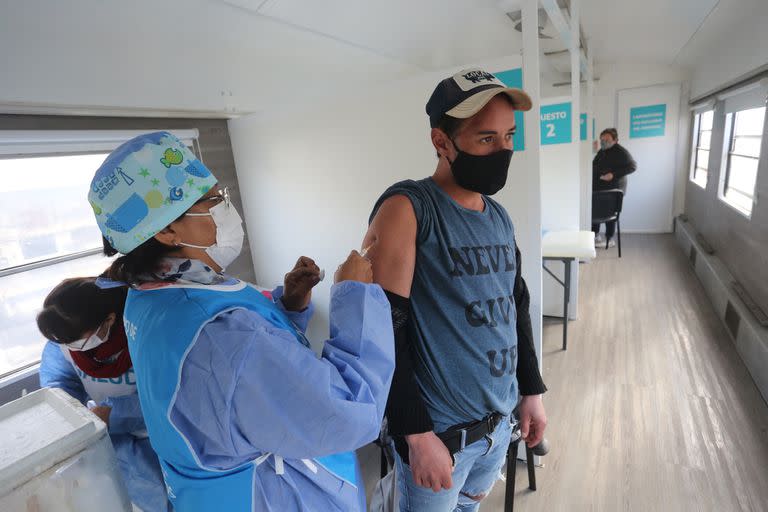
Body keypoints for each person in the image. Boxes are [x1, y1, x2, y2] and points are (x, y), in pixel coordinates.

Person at [87, 131, 394, 512]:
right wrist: (356, 298)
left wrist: (289, 305)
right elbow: (351, 412)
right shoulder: (222, 336)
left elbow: (230, 385)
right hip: (272, 496)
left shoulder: (151, 293)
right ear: (166, 231)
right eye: (213, 200)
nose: (225, 207)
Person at [363, 68, 548, 511]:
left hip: (497, 428)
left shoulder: (499, 216)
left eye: (508, 137)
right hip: (440, 438)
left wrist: (531, 392)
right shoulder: (408, 208)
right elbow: (382, 329)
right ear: (441, 142)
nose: (503, 150)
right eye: (486, 139)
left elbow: (514, 307)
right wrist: (416, 435)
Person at [37, 277, 171, 512]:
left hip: (163, 430)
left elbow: (168, 395)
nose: (72, 348)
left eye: (77, 341)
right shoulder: (65, 342)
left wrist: (115, 411)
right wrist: (74, 415)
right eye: (65, 343)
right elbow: (58, 384)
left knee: (171, 494)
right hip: (111, 434)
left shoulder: (143, 333)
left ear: (109, 319)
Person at [592, 128, 637, 247]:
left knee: (609, 213)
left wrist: (613, 174)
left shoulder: (621, 152)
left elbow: (633, 167)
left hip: (613, 190)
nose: (603, 142)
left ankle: (609, 239)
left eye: (607, 140)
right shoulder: (602, 150)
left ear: (615, 140)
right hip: (599, 188)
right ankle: (595, 235)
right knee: (595, 211)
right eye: (602, 139)